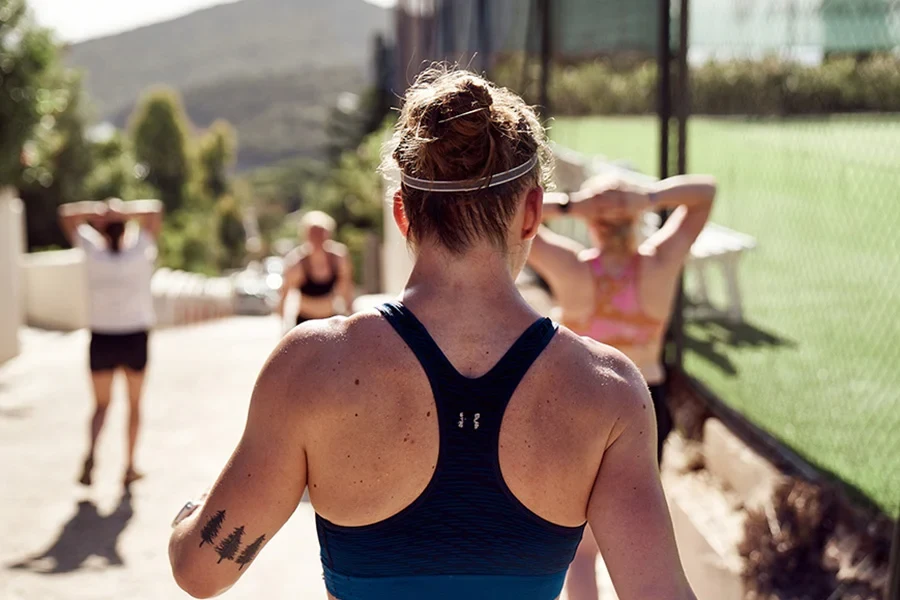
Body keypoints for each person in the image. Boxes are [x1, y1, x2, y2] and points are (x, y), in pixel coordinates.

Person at [168, 68, 695, 600]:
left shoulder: (310, 365)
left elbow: (201, 573)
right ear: (532, 213)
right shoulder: (608, 388)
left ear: (403, 214)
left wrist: (185, 521)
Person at [528, 173, 716, 600]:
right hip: (644, 402)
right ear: (638, 218)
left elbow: (518, 217)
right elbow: (705, 193)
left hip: (582, 403)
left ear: (592, 222)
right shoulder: (660, 264)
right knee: (640, 544)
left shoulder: (572, 268)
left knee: (581, 552)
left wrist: (576, 203)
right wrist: (645, 198)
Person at [58, 198, 163, 488]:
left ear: (103, 228)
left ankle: (92, 452)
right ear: (125, 226)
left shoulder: (93, 252)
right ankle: (129, 466)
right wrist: (122, 210)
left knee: (101, 405)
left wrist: (99, 212)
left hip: (102, 337)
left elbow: (66, 214)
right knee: (134, 404)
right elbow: (155, 210)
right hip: (134, 336)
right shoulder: (140, 250)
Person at [277, 210, 354, 327]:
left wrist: (351, 316)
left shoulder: (338, 258)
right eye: (313, 233)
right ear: (305, 235)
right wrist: (283, 325)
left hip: (331, 319)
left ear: (328, 234)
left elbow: (346, 288)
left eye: (321, 233)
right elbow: (284, 293)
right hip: (305, 323)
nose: (317, 237)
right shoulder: (297, 262)